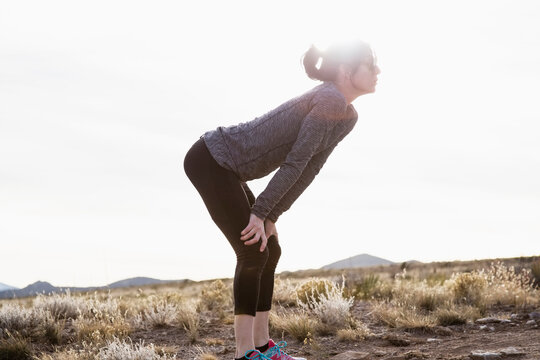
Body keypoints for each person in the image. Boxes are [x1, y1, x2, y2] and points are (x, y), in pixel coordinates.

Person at [183, 40, 380, 360]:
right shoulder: (329, 98)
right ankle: (244, 354)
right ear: (346, 71)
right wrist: (259, 213)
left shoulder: (347, 115)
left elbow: (310, 166)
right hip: (211, 159)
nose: (377, 71)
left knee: (269, 249)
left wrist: (271, 215)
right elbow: (295, 162)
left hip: (228, 168)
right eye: (370, 65)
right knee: (252, 250)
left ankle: (262, 348)